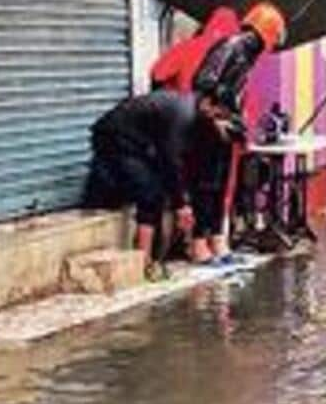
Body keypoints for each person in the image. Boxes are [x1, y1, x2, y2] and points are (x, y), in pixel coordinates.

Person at [89, 90, 238, 276]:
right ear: (207, 103)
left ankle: (149, 257)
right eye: (217, 113)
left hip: (141, 142)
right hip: (115, 136)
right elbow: (170, 160)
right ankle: (144, 261)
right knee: (149, 192)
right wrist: (181, 205)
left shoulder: (195, 113)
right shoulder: (183, 116)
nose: (218, 119)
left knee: (156, 190)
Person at [188, 1, 286, 264]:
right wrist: (226, 103)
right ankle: (199, 245)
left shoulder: (248, 55)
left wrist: (238, 121)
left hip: (226, 122)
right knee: (206, 184)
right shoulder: (232, 46)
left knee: (221, 184)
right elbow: (203, 81)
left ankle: (218, 242)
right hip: (208, 120)